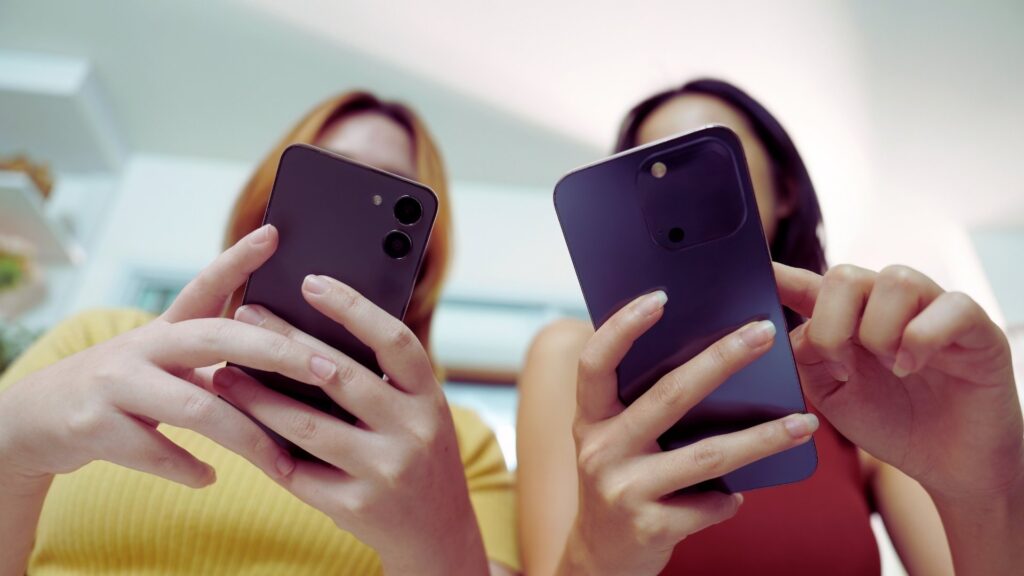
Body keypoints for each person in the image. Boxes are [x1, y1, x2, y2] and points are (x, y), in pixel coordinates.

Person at [517, 79, 1023, 575]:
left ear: (785, 192)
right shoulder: (569, 359)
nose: (675, 190)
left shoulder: (858, 385)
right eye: (647, 161)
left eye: (703, 156)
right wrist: (597, 555)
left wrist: (987, 492)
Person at [0, 92, 519, 575]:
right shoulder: (98, 340)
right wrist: (12, 441)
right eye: (330, 176)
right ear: (263, 206)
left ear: (422, 259)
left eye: (389, 187)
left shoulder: (457, 446)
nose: (350, 213)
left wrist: (443, 538)